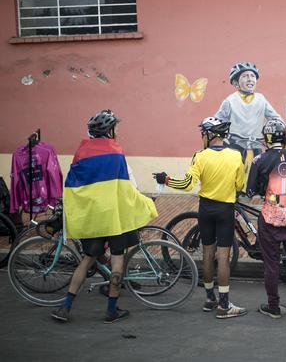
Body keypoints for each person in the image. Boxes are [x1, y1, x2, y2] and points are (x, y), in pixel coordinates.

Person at [52, 110, 158, 323]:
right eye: (115, 128)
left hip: (94, 217)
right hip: (114, 218)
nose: (117, 131)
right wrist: (142, 203)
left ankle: (65, 308)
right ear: (108, 131)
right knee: (117, 261)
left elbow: (74, 185)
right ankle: (111, 310)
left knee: (87, 260)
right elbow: (124, 186)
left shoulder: (81, 152)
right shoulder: (116, 152)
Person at [153, 117, 247, 319]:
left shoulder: (200, 156)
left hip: (205, 208)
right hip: (225, 209)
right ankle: (224, 305)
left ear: (211, 134)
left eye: (203, 133)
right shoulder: (236, 156)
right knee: (222, 257)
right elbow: (240, 186)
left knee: (206, 253)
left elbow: (187, 184)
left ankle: (209, 299)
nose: (202, 137)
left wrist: (166, 180)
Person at [246, 119, 286, 319]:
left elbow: (252, 191)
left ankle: (273, 306)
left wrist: (273, 196)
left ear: (267, 138)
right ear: (284, 136)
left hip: (270, 219)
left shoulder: (259, 160)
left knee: (271, 264)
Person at [215, 62, 281, 161]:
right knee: (235, 173)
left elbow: (275, 118)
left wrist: (272, 134)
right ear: (235, 83)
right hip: (235, 146)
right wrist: (224, 138)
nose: (250, 79)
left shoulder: (261, 99)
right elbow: (217, 122)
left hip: (256, 145)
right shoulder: (230, 101)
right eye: (245, 76)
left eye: (252, 76)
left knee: (258, 172)